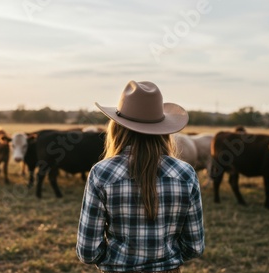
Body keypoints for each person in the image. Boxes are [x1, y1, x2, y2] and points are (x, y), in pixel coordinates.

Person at [76, 81, 205, 273]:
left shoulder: (101, 173)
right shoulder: (186, 174)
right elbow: (194, 246)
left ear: (117, 128)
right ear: (163, 129)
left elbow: (88, 251)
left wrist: (114, 259)